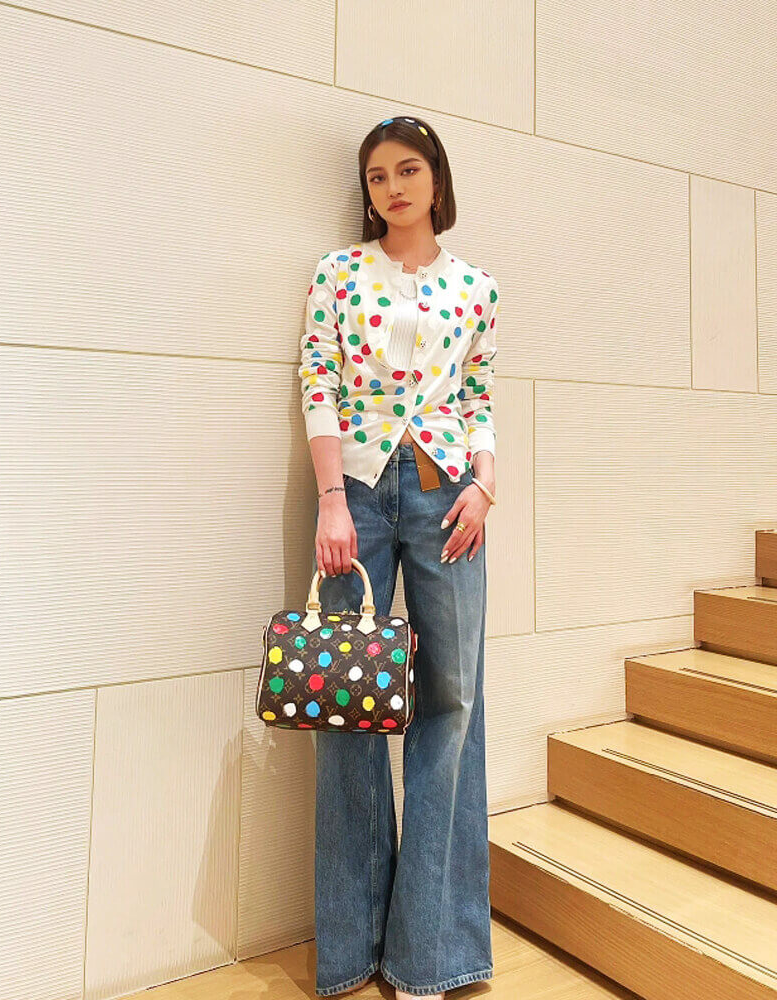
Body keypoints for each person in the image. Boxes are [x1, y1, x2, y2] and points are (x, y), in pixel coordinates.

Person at [298, 115, 499, 1000]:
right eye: (377, 176)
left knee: (451, 699)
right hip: (359, 493)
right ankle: (350, 950)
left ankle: (432, 955)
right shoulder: (339, 273)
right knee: (349, 703)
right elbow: (318, 378)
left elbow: (479, 393)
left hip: (447, 492)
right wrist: (331, 499)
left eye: (408, 170)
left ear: (437, 180)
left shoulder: (477, 287)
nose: (393, 188)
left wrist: (485, 484)